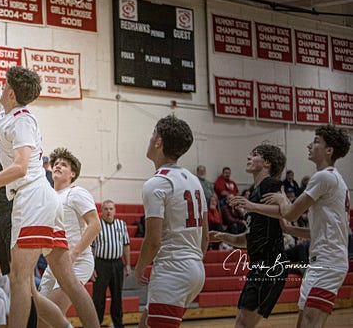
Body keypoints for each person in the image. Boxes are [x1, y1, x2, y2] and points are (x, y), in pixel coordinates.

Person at [0, 25, 99, 328]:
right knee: (68, 280)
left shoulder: (22, 121)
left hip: (31, 196)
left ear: (12, 92)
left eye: (4, 84)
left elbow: (20, 167)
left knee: (19, 280)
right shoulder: (7, 110)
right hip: (43, 199)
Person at [257, 125, 351, 328]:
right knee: (303, 324)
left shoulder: (323, 176)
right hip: (321, 259)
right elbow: (318, 231)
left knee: (309, 323)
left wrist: (282, 198)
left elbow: (291, 212)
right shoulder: (336, 180)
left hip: (328, 261)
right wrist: (288, 229)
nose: (310, 144)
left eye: (316, 141)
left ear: (329, 150)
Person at [135, 115, 208, 328]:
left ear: (159, 141)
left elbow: (153, 240)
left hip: (172, 269)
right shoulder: (194, 181)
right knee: (145, 323)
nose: (150, 139)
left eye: (152, 134)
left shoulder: (156, 183)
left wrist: (139, 268)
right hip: (195, 268)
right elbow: (204, 236)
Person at [213, 143, 288, 328]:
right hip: (259, 265)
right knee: (241, 322)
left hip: (271, 265)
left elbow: (285, 211)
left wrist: (251, 206)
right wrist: (222, 236)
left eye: (254, 155)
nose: (248, 157)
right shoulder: (255, 192)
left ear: (267, 162)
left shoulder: (270, 184)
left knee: (244, 324)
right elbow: (249, 239)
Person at [39, 147, 102, 325]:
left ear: (72, 173)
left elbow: (95, 225)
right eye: (56, 163)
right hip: (54, 263)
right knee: (41, 318)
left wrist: (74, 253)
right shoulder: (48, 195)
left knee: (53, 312)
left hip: (77, 261)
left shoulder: (76, 193)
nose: (58, 166)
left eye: (64, 165)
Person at [91, 200, 131, 328]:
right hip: (101, 264)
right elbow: (90, 247)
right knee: (98, 297)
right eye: (106, 209)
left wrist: (128, 264)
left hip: (117, 264)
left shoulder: (121, 224)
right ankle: (96, 324)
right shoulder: (96, 225)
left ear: (115, 210)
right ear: (101, 211)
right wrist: (92, 268)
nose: (108, 211)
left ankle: (118, 324)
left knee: (117, 296)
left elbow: (126, 245)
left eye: (111, 208)